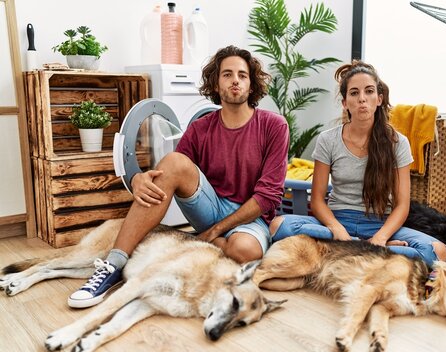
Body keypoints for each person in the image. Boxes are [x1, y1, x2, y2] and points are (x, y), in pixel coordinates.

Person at [68, 45, 289, 308]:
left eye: (242, 75)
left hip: (250, 216)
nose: (235, 81)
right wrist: (139, 178)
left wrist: (214, 232)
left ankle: (206, 242)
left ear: (251, 85)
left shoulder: (274, 126)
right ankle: (112, 266)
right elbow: (171, 170)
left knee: (245, 251)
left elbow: (267, 197)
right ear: (216, 84)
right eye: (227, 74)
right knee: (174, 160)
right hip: (210, 206)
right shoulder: (200, 128)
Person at [270, 60, 446, 267]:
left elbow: (402, 205)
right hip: (336, 222)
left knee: (438, 251)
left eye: (369, 91)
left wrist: (381, 238)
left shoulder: (398, 142)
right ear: (345, 103)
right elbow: (317, 200)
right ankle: (373, 250)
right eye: (354, 93)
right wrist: (337, 230)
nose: (362, 99)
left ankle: (349, 249)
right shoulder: (327, 139)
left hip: (379, 224)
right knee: (278, 225)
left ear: (379, 99)